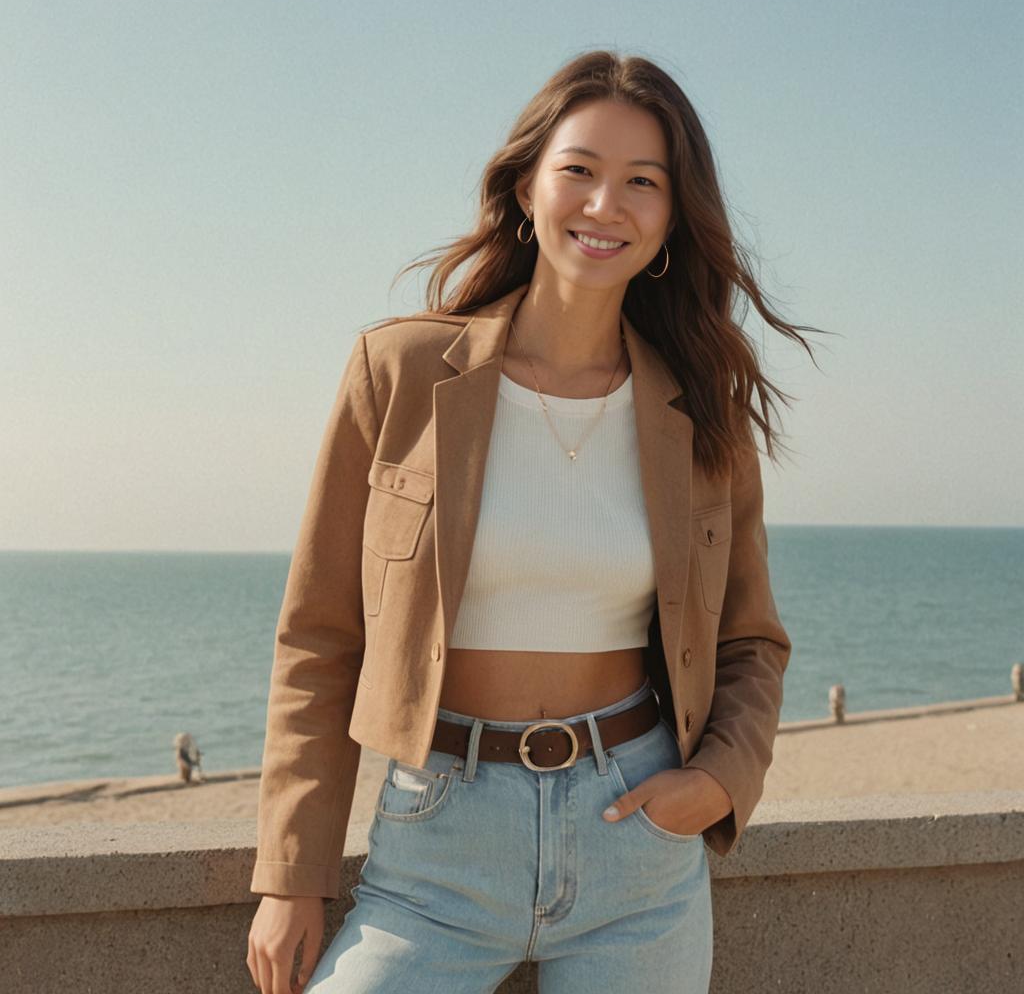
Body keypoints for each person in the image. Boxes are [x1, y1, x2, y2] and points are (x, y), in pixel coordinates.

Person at [247, 49, 818, 994]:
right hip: (437, 849)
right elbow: (318, 636)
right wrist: (292, 876)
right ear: (525, 187)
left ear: (673, 218)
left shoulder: (699, 408)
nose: (607, 205)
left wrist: (720, 782)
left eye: (644, 182)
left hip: (637, 845)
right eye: (580, 171)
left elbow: (751, 640)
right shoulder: (401, 375)